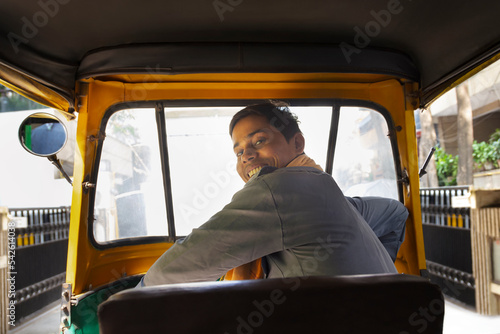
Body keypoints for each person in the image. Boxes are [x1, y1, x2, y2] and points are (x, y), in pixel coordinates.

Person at [139, 101, 400, 287]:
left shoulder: (280, 188)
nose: (247, 156)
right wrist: (374, 283)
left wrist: (124, 305)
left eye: (259, 141)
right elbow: (396, 213)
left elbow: (185, 263)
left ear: (297, 143)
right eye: (239, 151)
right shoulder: (331, 195)